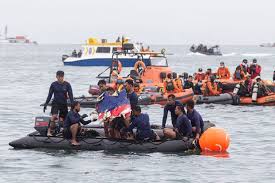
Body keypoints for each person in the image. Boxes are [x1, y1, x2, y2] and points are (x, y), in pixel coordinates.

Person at [44, 71, 74, 136]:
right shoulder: (53, 84)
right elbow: (50, 95)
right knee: (54, 116)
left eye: (62, 77)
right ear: (56, 77)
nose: (60, 78)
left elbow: (71, 95)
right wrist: (46, 104)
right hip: (55, 103)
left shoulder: (67, 84)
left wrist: (72, 104)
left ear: (63, 77)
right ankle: (49, 132)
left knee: (63, 119)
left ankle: (62, 132)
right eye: (59, 77)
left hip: (63, 104)